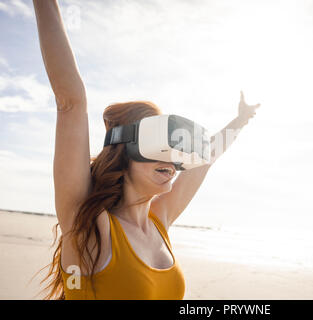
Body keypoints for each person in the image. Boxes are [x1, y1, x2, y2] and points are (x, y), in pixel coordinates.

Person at [33, 0, 260, 300]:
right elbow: (71, 102)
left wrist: (240, 121)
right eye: (157, 143)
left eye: (171, 146)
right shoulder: (89, 226)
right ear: (124, 151)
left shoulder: (159, 220)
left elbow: (208, 156)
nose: (168, 156)